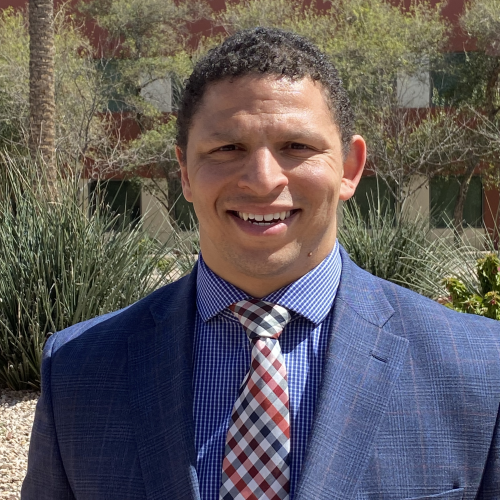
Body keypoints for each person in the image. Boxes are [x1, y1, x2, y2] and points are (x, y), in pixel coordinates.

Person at [22, 27, 500, 500]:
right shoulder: (79, 368)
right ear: (185, 172)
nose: (263, 179)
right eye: (228, 148)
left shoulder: (482, 368)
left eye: (297, 147)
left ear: (350, 168)